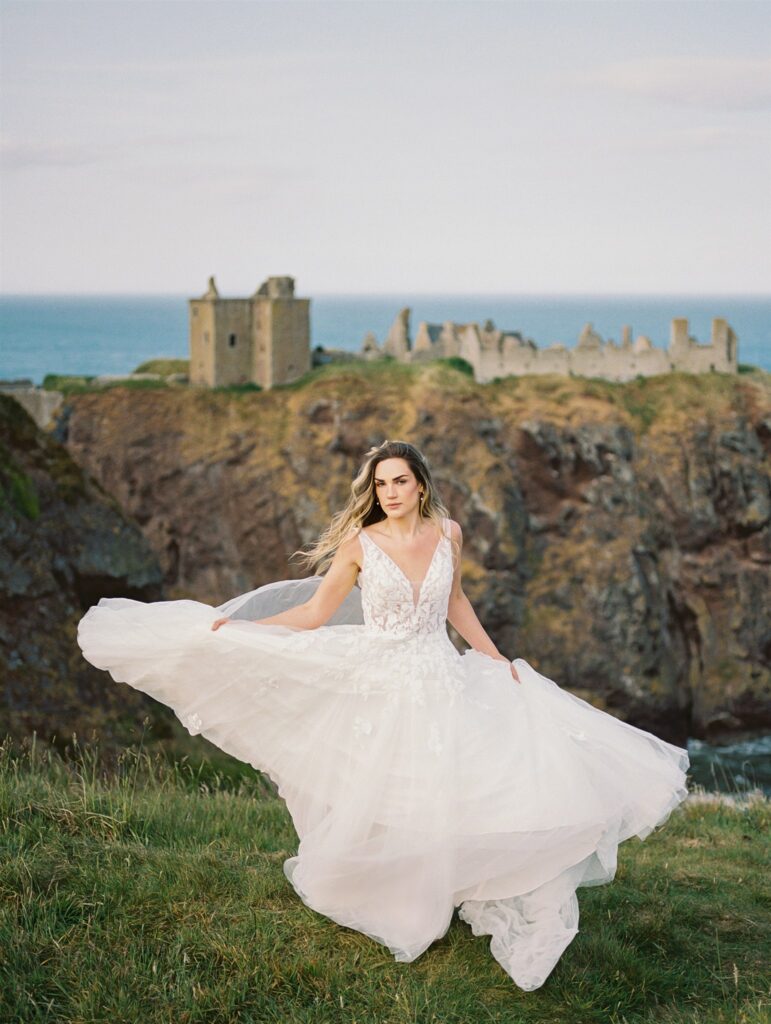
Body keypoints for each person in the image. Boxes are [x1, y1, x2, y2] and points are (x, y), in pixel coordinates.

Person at [77, 439, 690, 991]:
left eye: (399, 481)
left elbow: (456, 603)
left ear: (420, 484)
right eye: (380, 484)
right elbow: (316, 613)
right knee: (390, 790)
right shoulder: (360, 544)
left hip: (442, 672)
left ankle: (450, 881)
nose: (389, 492)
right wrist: (240, 627)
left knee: (464, 782)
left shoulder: (448, 533)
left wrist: (497, 657)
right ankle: (399, 890)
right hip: (380, 677)